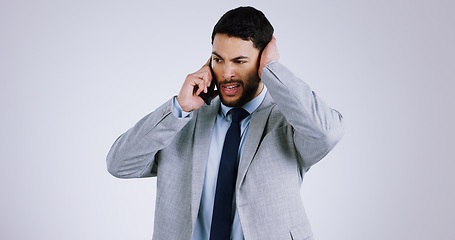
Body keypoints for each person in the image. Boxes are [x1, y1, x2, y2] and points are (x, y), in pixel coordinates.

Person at [107, 6, 344, 240]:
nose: (226, 72)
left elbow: (327, 133)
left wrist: (273, 70)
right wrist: (179, 108)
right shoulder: (182, 119)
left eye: (239, 61)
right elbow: (119, 165)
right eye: (218, 59)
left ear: (261, 61)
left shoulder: (288, 120)